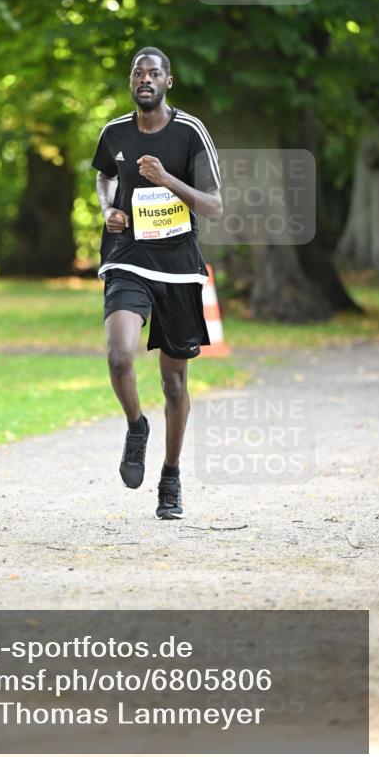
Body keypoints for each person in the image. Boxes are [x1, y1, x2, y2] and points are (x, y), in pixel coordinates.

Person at [91, 47, 223, 520]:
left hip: (179, 267)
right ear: (132, 82)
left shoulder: (190, 132)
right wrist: (108, 210)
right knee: (119, 354)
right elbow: (105, 178)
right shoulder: (115, 132)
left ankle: (171, 475)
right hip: (128, 258)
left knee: (173, 384)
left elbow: (213, 205)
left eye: (154, 73)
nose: (144, 79)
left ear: (169, 81)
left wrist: (167, 179)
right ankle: (135, 426)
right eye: (137, 73)